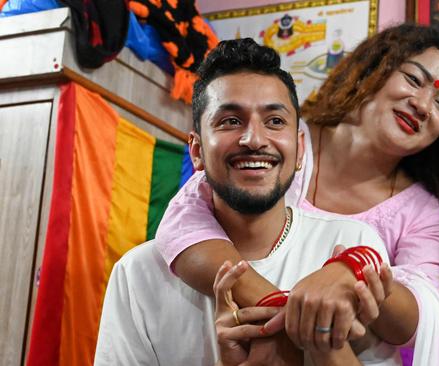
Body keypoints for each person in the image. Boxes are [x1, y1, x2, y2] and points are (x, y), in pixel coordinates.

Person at [155, 24, 439, 361]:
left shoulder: (424, 214)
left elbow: (421, 318)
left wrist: (354, 270)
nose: (421, 105)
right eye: (414, 80)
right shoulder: (282, 141)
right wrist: (282, 313)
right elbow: (184, 219)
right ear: (375, 71)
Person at [94, 38, 414, 365]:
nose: (254, 139)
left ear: (300, 149)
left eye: (274, 121)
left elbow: (407, 327)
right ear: (197, 150)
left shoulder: (350, 243)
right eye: (231, 121)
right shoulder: (139, 274)